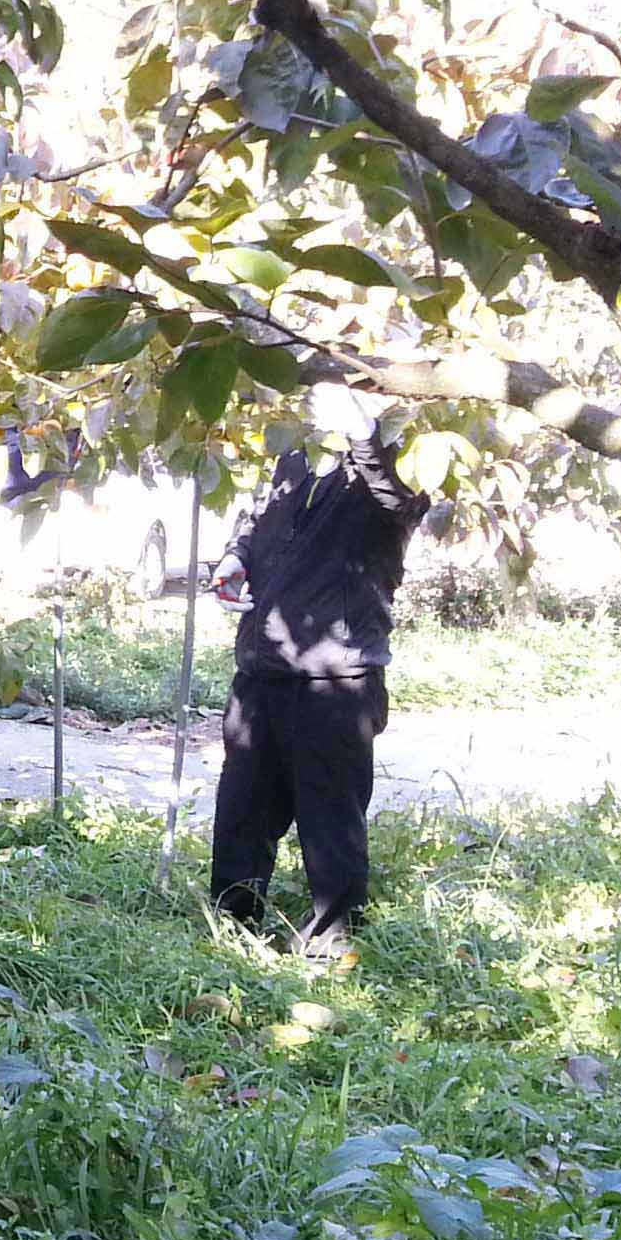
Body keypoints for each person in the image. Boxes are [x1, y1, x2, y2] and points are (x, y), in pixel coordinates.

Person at [205, 382, 431, 947]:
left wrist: (364, 435)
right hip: (262, 667)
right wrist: (234, 558)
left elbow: (398, 500)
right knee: (241, 811)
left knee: (330, 820)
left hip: (337, 677)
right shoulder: (296, 457)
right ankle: (231, 926)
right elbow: (260, 516)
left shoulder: (396, 465)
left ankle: (334, 944)